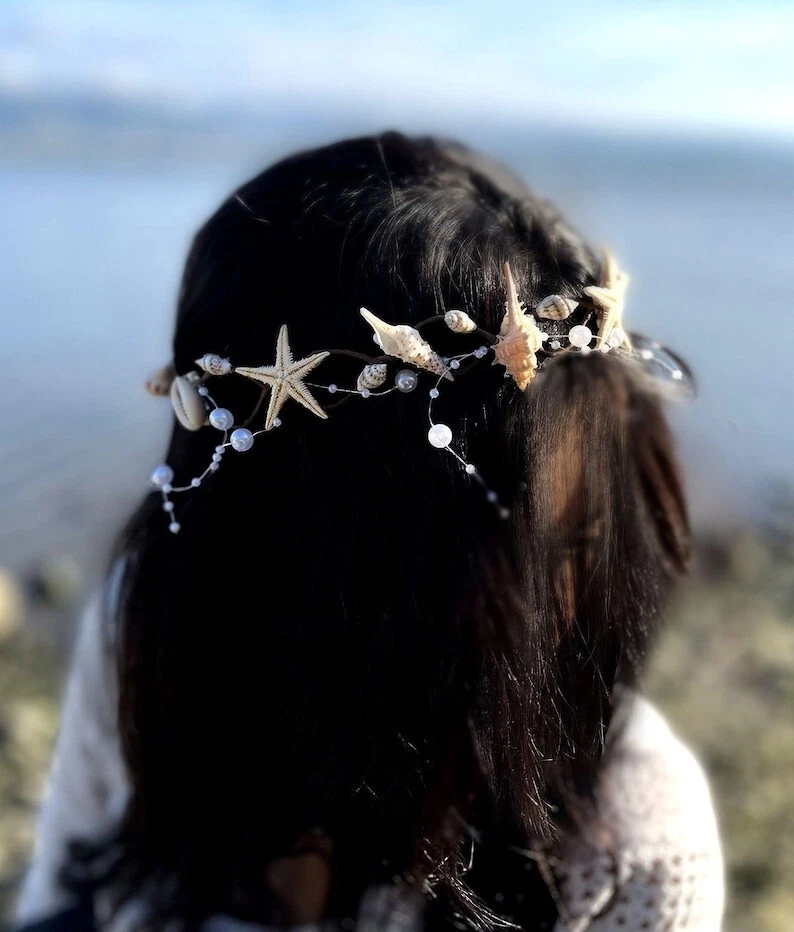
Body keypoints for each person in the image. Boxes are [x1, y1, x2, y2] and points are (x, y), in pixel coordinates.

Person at [15, 133, 724, 932]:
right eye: (532, 545)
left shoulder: (633, 852)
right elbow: (65, 879)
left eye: (578, 538)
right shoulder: (159, 623)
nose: (565, 593)